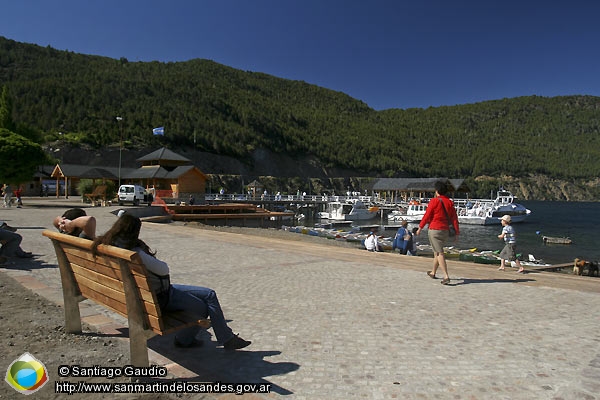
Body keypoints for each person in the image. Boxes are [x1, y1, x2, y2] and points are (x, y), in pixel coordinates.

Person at [91, 214, 251, 350]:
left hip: (139, 295)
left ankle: (225, 338)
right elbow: (164, 269)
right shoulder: (134, 252)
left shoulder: (105, 245)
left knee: (209, 294)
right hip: (159, 298)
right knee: (204, 305)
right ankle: (190, 340)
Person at [416, 180, 460, 285]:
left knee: (439, 253)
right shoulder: (450, 202)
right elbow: (454, 219)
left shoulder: (434, 201)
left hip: (434, 229)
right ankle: (433, 272)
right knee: (437, 251)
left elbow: (427, 215)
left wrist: (420, 228)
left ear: (437, 191)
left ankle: (446, 276)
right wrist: (457, 233)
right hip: (445, 230)